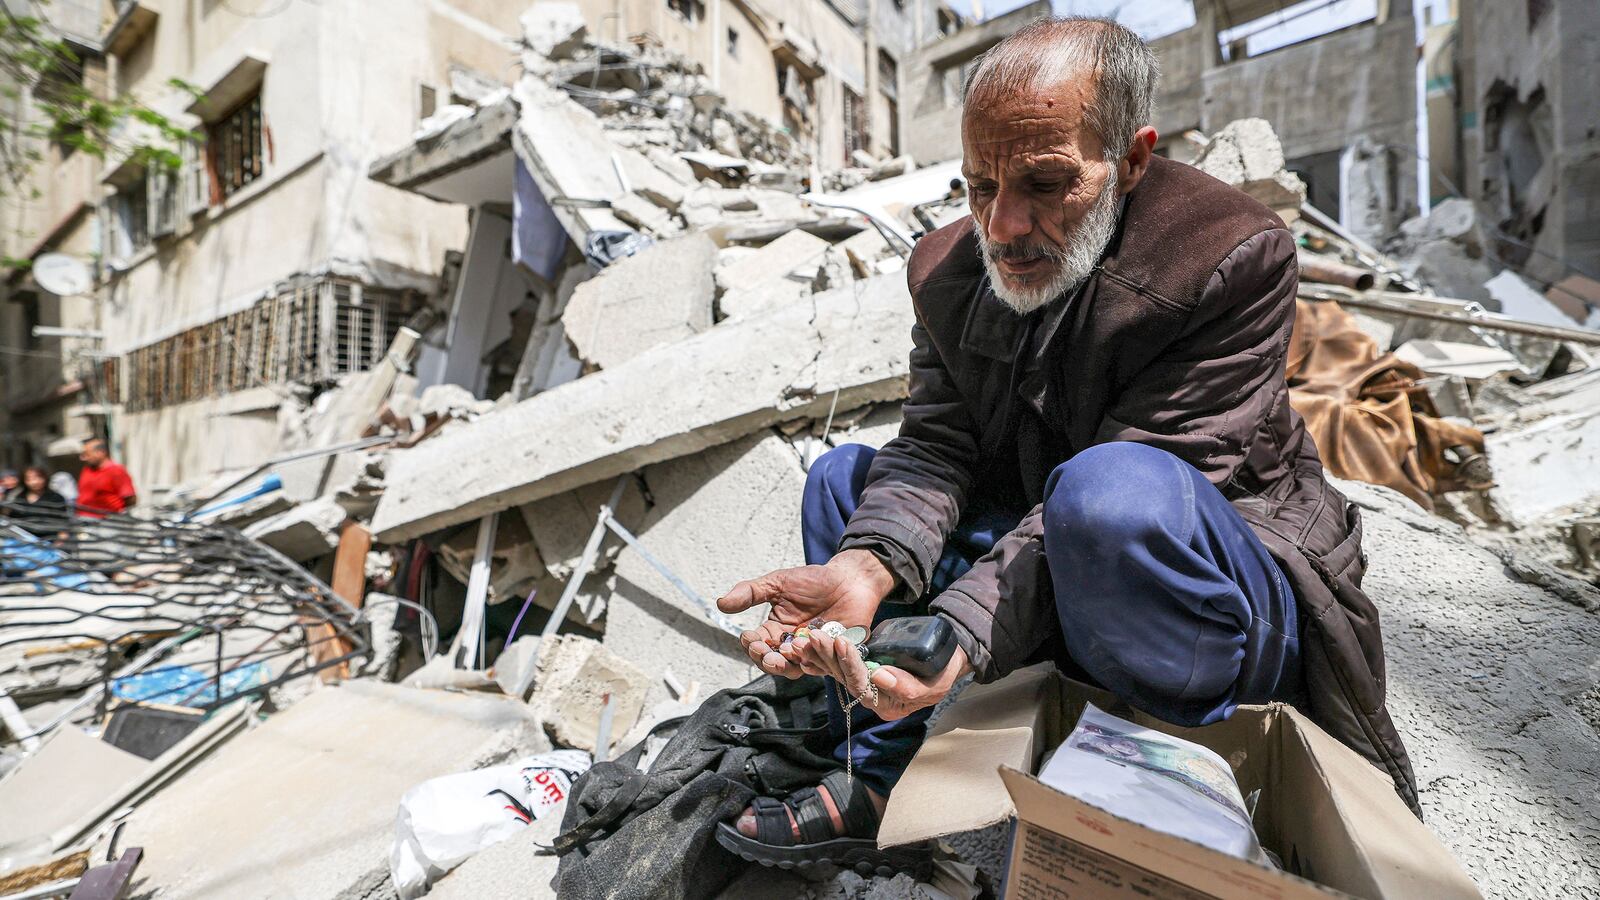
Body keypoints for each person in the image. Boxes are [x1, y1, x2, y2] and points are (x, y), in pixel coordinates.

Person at [714, 16, 1416, 870]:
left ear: (1129, 158)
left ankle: (1157, 808)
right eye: (979, 186)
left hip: (1196, 586)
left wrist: (962, 632)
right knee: (843, 485)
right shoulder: (947, 269)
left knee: (1107, 497)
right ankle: (880, 773)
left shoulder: (1230, 255)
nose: (1003, 224)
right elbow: (938, 446)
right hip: (1048, 554)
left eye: (1045, 183)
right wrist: (866, 569)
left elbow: (1158, 471)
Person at [77, 438, 137, 518]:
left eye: (87, 454)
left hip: (107, 523)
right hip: (84, 520)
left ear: (101, 452)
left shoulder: (116, 471)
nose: (83, 458)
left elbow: (130, 498)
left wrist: (117, 516)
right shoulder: (87, 470)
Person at [4, 466, 68, 538]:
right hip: (22, 541)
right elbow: (10, 518)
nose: (34, 482)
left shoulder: (55, 498)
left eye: (38, 477)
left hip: (49, 540)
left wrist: (61, 539)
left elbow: (63, 521)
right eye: (29, 479)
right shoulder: (18, 497)